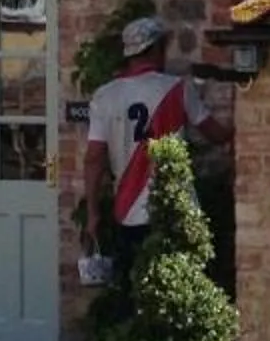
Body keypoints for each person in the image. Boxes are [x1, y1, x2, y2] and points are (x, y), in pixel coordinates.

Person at [82, 15, 231, 284]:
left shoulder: (105, 96)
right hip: (175, 206)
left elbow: (94, 158)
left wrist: (93, 213)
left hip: (127, 208)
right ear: (156, 49)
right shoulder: (177, 89)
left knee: (133, 288)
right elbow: (214, 133)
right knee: (178, 286)